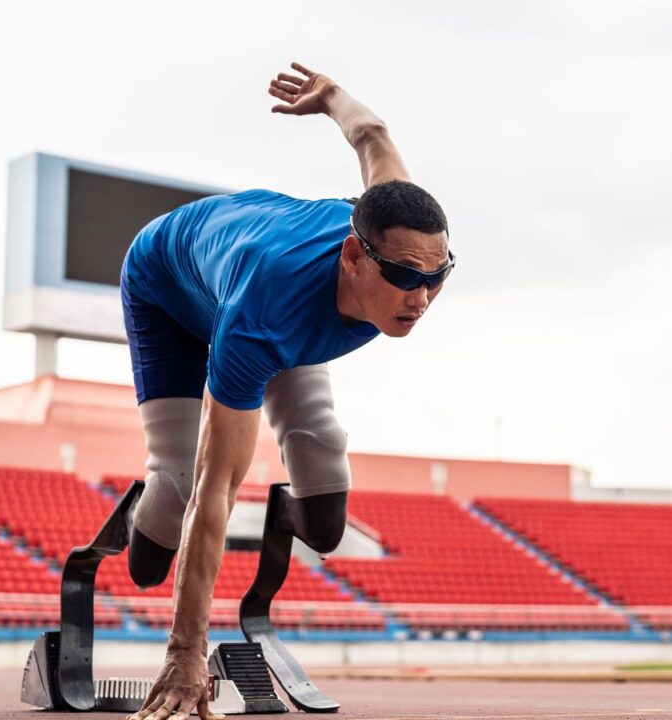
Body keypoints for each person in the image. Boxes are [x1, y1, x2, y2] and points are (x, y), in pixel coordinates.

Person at [119, 62, 452, 720]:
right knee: (181, 488)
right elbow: (219, 487)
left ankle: (276, 515)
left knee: (326, 515)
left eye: (438, 278)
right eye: (405, 278)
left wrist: (331, 96)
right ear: (355, 257)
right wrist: (185, 653)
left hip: (273, 280)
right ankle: (135, 518)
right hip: (168, 283)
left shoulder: (401, 225)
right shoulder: (263, 315)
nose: (420, 299)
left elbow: (374, 136)